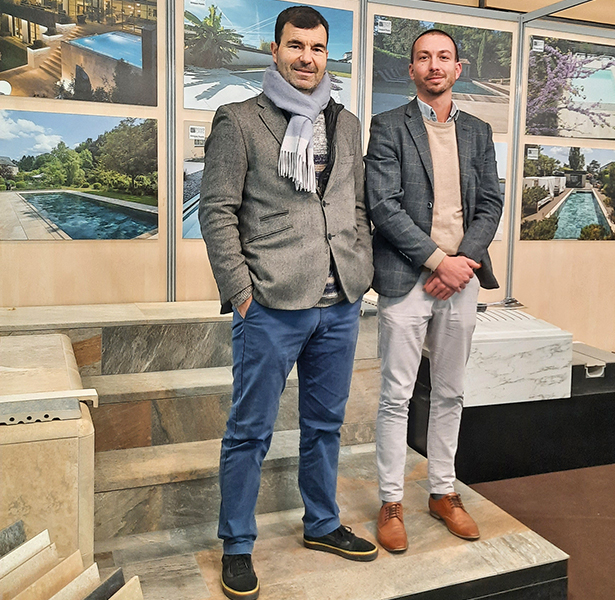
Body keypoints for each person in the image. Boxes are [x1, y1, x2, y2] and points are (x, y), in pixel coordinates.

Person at [199, 6, 376, 600]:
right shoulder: (238, 120)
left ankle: (322, 523)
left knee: (325, 425)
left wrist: (359, 270)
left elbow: (353, 204)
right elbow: (217, 211)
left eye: (317, 48)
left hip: (339, 302)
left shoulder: (346, 124)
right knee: (249, 431)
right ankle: (237, 544)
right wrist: (241, 293)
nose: (307, 57)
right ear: (274, 50)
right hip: (271, 305)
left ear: (327, 55)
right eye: (296, 45)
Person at [364, 29, 504, 553]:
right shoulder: (387, 126)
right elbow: (383, 205)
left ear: (458, 68)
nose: (434, 65)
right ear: (412, 69)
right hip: (407, 279)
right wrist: (437, 261)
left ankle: (443, 492)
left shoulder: (478, 131)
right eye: (423, 57)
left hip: (460, 279)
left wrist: (461, 263)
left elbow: (490, 202)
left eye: (443, 57)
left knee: (450, 392)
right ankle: (391, 501)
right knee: (395, 396)